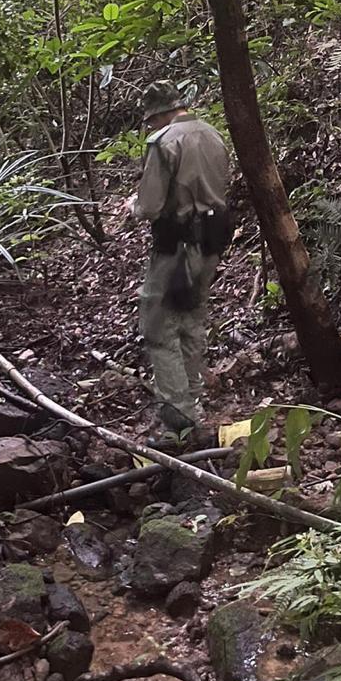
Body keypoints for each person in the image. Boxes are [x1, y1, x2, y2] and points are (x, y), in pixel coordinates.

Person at [129, 80, 232, 439]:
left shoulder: (164, 142)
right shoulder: (213, 135)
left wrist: (132, 206)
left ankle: (178, 420)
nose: (151, 127)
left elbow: (151, 205)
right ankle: (194, 406)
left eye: (151, 120)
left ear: (159, 114)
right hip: (212, 243)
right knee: (191, 320)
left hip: (176, 247)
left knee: (158, 326)